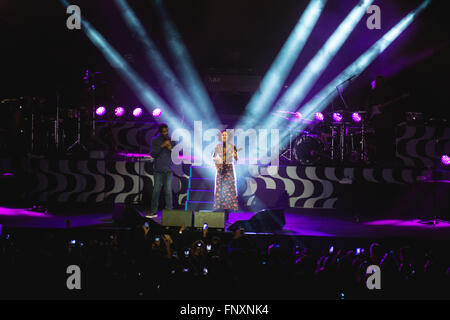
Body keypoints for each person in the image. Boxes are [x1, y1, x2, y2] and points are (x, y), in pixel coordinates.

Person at [147, 123, 175, 218]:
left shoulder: (171, 140)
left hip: (168, 169)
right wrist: (162, 146)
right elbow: (153, 154)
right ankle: (153, 211)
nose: (165, 133)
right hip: (158, 170)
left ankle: (169, 212)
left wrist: (171, 148)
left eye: (166, 131)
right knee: (156, 191)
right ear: (160, 132)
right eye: (163, 132)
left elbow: (176, 153)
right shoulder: (155, 140)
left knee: (168, 191)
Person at [213, 130, 239, 219]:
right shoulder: (218, 146)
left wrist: (234, 155)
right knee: (220, 190)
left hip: (229, 169)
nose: (224, 137)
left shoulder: (232, 146)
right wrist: (217, 162)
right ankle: (219, 213)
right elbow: (214, 157)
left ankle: (227, 214)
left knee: (228, 191)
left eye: (226, 135)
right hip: (220, 169)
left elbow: (236, 159)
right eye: (223, 135)